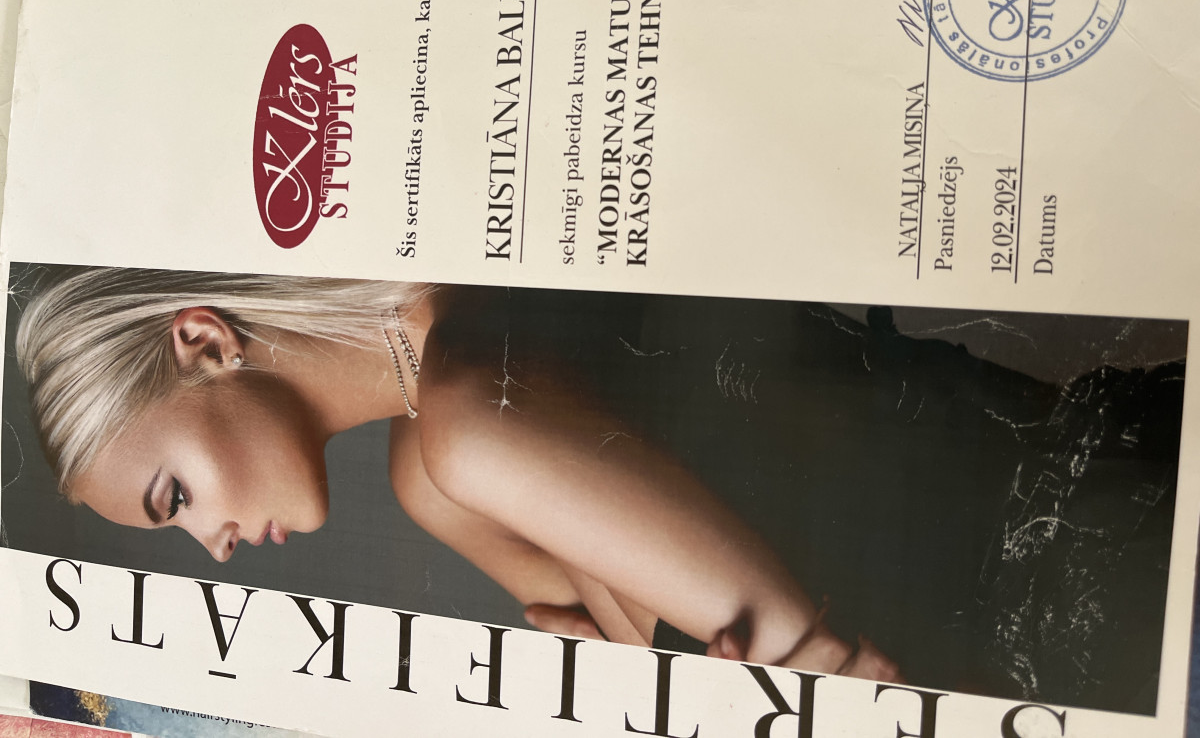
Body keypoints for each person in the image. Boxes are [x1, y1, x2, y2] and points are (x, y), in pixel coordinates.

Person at [14, 265, 1182, 711]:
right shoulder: (435, 470)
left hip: (1119, 571)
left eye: (173, 497)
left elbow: (841, 689)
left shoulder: (470, 428)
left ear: (204, 341)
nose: (213, 546)